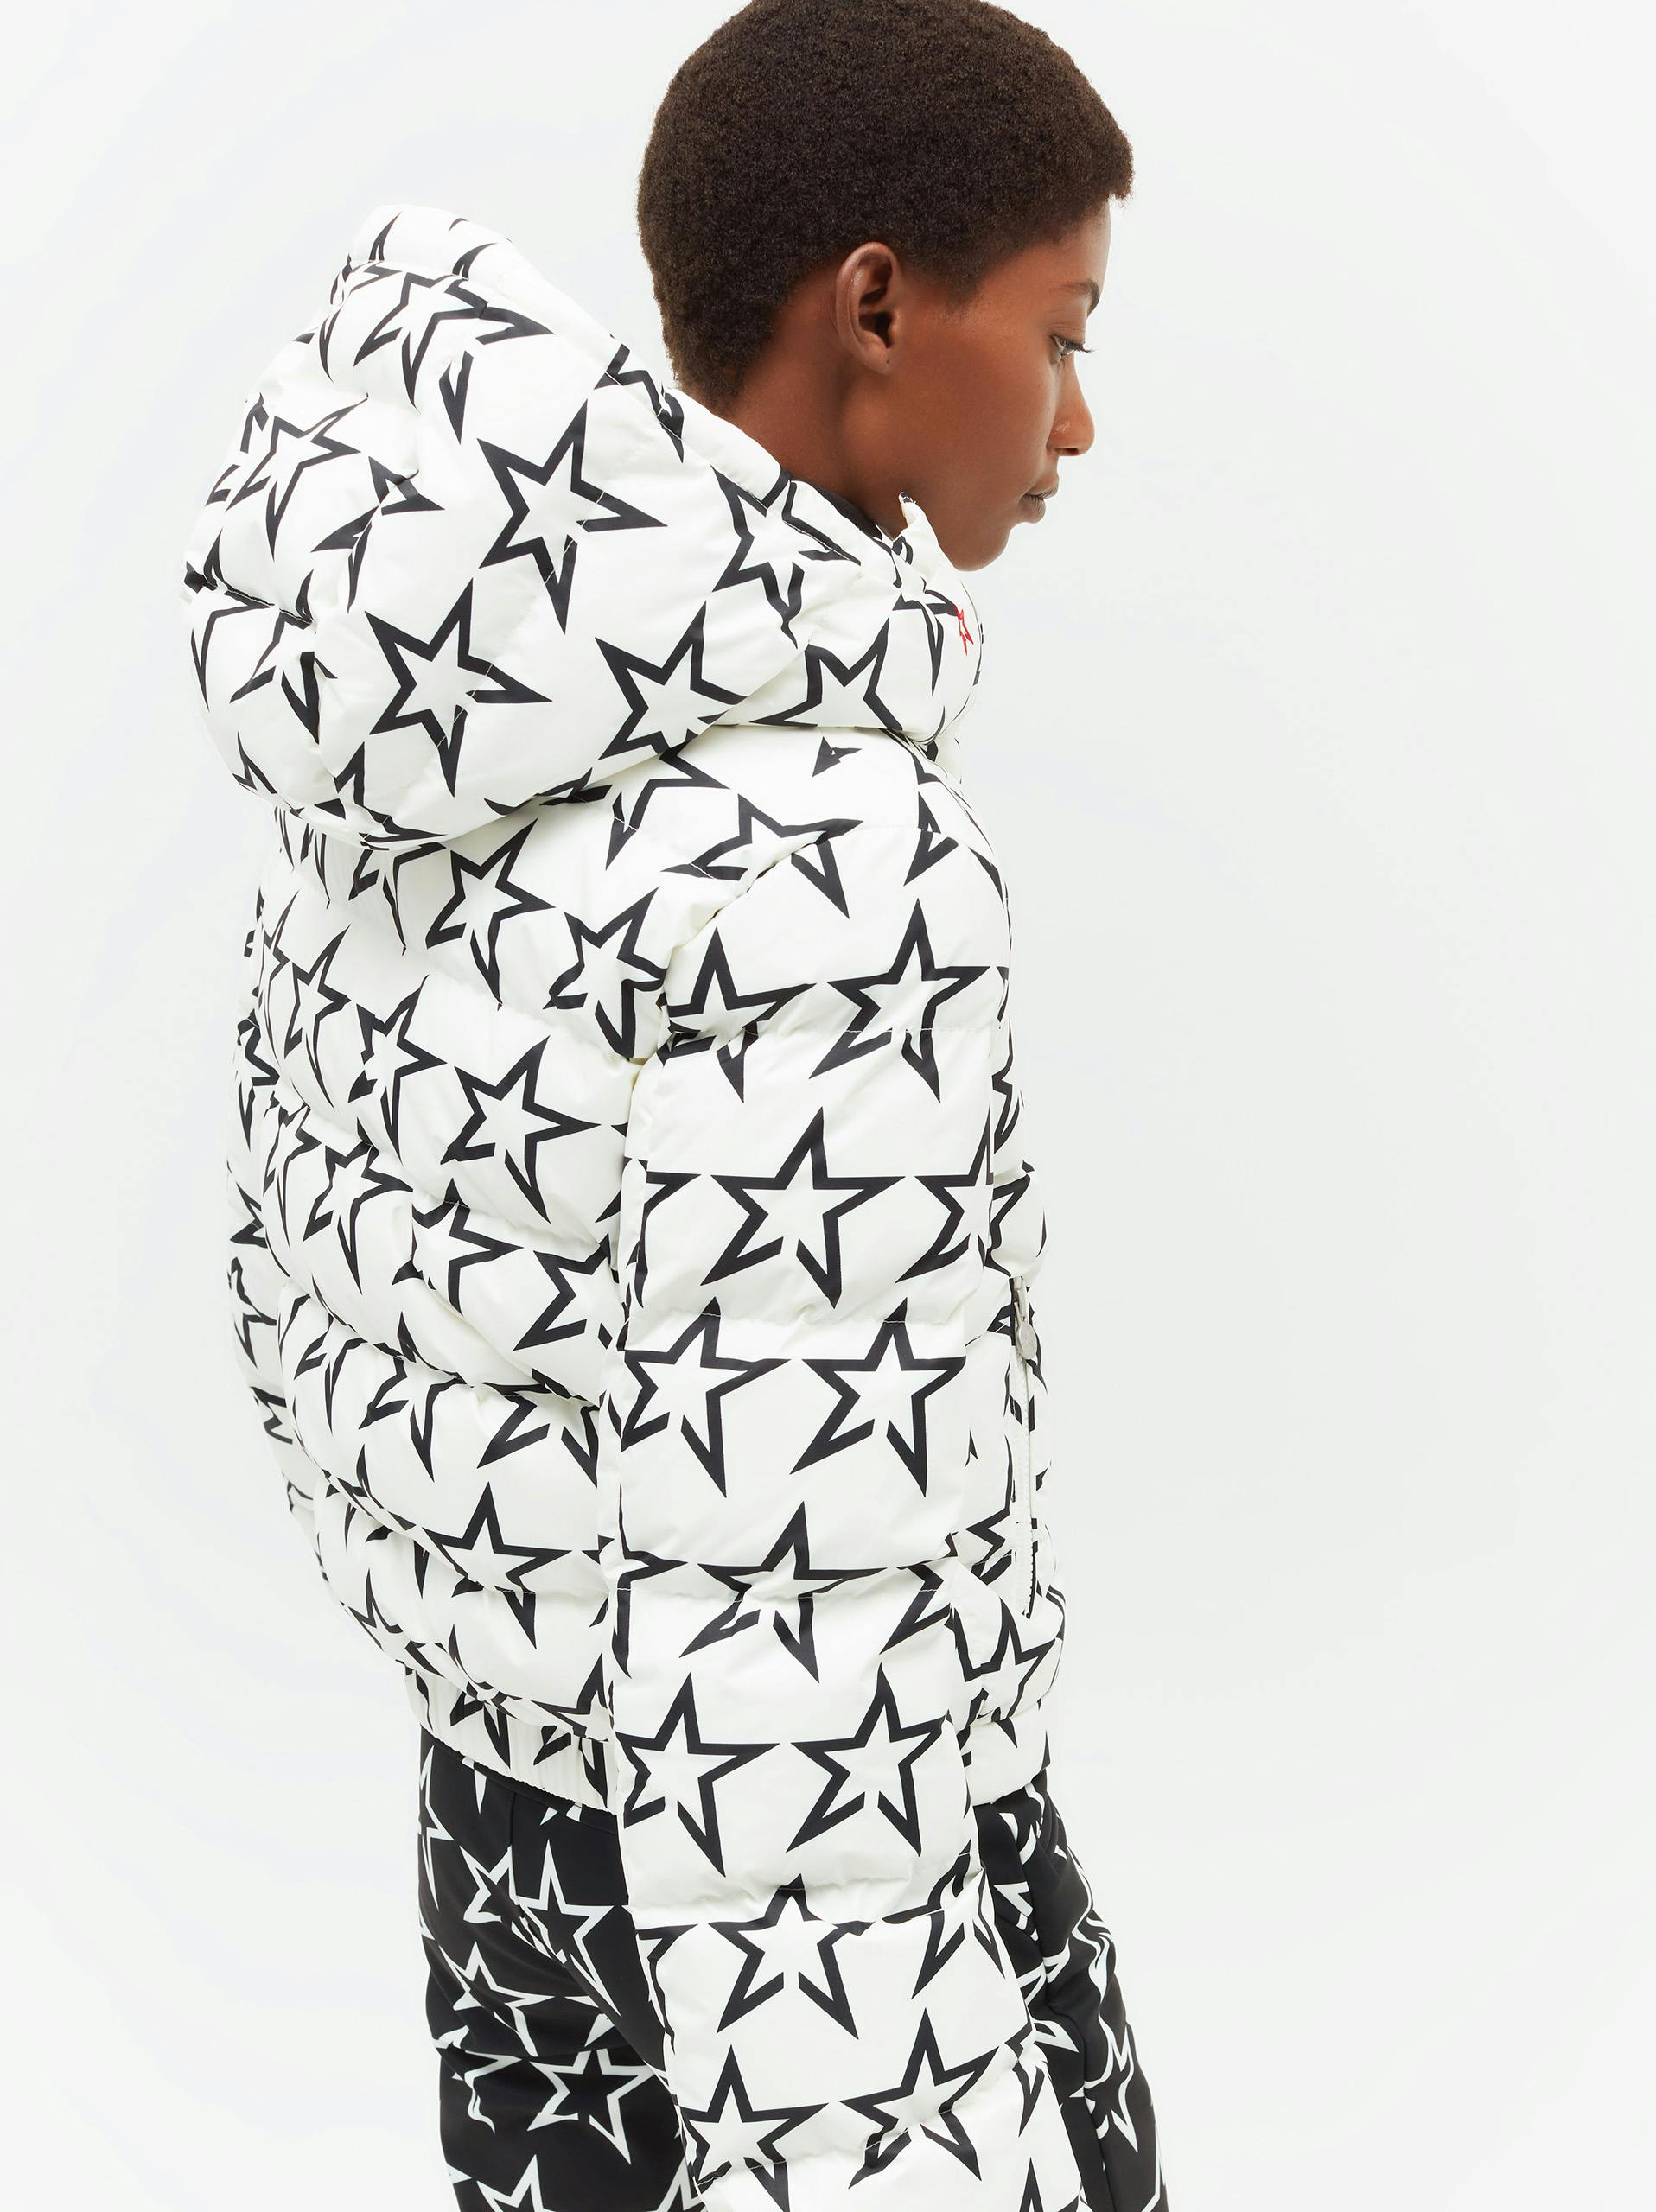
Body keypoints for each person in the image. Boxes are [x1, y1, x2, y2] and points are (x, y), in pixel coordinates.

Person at [179, 2, 1164, 2203]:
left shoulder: (443, 715)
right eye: (1062, 332)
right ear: (879, 305)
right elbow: (788, 1592)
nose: (1080, 418)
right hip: (806, 1886)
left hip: (505, 1827)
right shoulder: (827, 857)